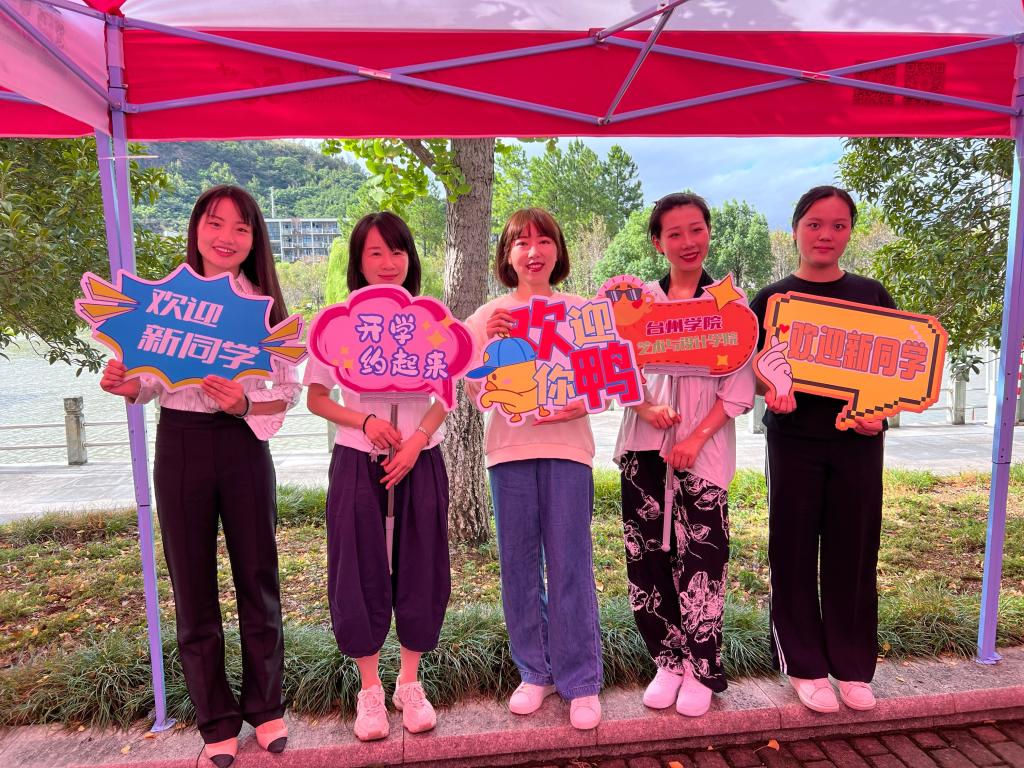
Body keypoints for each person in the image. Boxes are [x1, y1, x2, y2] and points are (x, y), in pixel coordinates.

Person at [100, 185, 298, 767]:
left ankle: (266, 707)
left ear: (255, 239)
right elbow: (148, 382)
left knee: (258, 578)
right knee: (192, 584)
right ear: (196, 230)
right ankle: (214, 718)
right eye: (215, 223)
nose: (226, 237)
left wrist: (245, 402)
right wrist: (126, 385)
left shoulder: (265, 309)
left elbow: (285, 395)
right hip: (180, 444)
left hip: (243, 445)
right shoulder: (166, 300)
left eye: (241, 228)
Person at [305, 212, 450, 742]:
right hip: (356, 460)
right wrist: (364, 421)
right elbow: (316, 397)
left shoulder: (431, 319)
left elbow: (446, 394)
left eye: (397, 251)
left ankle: (409, 682)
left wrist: (416, 440)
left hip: (421, 459)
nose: (388, 263)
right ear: (358, 263)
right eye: (375, 253)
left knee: (422, 565)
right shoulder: (336, 322)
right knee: (356, 567)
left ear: (410, 258)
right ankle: (369, 688)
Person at [749, 185, 894, 714]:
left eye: (838, 225)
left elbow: (898, 371)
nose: (825, 235)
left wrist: (880, 414)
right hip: (793, 442)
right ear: (795, 230)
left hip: (858, 445)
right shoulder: (771, 300)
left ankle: (853, 667)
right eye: (814, 224)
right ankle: (804, 666)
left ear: (850, 231)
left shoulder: (873, 295)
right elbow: (751, 371)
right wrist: (771, 388)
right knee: (790, 550)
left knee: (854, 551)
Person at [612, 193, 754, 717]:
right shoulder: (637, 304)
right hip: (643, 448)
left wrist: (696, 438)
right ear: (658, 242)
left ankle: (701, 668)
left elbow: (738, 388)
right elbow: (614, 368)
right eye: (674, 233)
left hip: (704, 454)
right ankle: (668, 661)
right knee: (646, 558)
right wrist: (645, 407)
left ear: (708, 233)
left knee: (702, 563)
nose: (687, 242)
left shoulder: (729, 306)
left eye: (696, 230)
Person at [463, 208, 604, 731]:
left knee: (571, 565)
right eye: (521, 242)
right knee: (519, 568)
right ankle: (534, 671)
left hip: (569, 451)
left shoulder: (582, 311)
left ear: (558, 251)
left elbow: (607, 382)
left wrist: (578, 404)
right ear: (507, 255)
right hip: (509, 453)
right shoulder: (487, 316)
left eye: (544, 240)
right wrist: (487, 344)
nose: (533, 251)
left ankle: (581, 680)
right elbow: (477, 394)